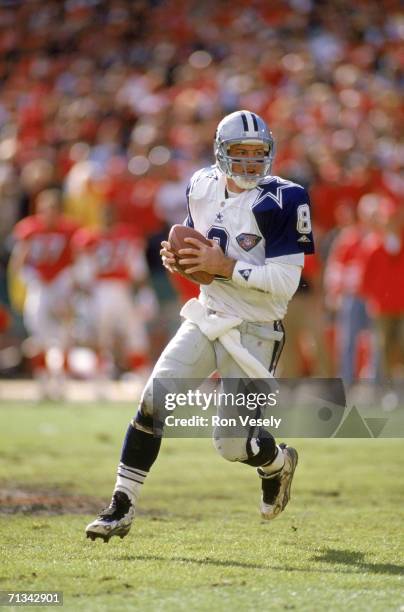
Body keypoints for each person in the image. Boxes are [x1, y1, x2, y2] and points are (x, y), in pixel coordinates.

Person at [85, 110, 314, 542]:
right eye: (239, 154)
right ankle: (121, 504)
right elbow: (199, 244)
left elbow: (287, 284)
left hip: (256, 329)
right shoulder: (201, 184)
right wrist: (181, 261)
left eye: (257, 154)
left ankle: (278, 464)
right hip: (207, 315)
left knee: (232, 445)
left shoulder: (287, 199)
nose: (248, 163)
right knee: (154, 399)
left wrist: (224, 266)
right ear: (220, 153)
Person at [10, 188, 79, 397]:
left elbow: (75, 260)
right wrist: (28, 279)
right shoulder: (29, 228)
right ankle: (42, 381)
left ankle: (61, 382)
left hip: (61, 283)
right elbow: (19, 261)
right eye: (45, 208)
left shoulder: (69, 229)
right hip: (38, 283)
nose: (49, 212)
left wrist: (68, 284)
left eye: (53, 208)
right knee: (38, 333)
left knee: (65, 333)